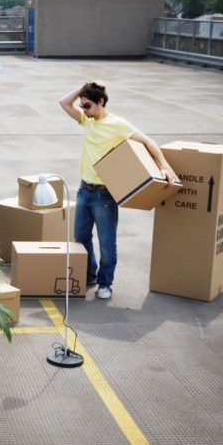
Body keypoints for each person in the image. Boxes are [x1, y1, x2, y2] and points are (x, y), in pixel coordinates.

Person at [59, 82, 176, 300]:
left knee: (106, 243)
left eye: (87, 105)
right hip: (84, 191)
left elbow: (148, 141)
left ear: (100, 102)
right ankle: (90, 274)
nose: (83, 110)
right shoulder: (87, 121)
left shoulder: (118, 124)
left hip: (104, 195)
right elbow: (63, 103)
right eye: (82, 106)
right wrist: (83, 87)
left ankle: (106, 283)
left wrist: (164, 167)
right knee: (81, 237)